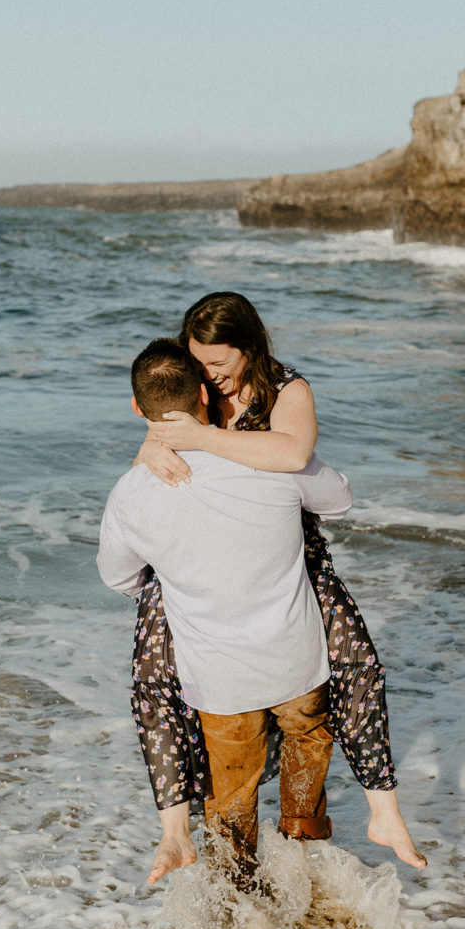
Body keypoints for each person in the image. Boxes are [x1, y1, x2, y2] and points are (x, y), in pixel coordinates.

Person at [132, 292, 426, 882]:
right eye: (200, 363)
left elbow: (294, 452)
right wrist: (153, 445)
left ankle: (383, 810)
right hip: (204, 560)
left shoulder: (287, 389)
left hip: (287, 551)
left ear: (251, 347)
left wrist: (203, 439)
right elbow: (156, 428)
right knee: (151, 673)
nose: (209, 377)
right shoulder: (197, 389)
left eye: (220, 363)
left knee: (358, 660)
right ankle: (178, 832)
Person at [97, 338, 355, 887]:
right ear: (207, 399)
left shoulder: (132, 492)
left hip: (218, 678)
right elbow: (339, 498)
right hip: (297, 658)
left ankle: (239, 898)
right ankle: (303, 845)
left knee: (232, 788)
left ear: (138, 411)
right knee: (307, 739)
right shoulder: (270, 463)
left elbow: (119, 578)